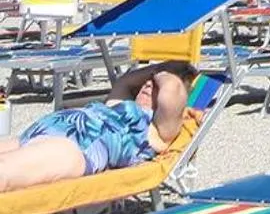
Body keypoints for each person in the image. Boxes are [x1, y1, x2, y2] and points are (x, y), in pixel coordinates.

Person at [0, 62, 197, 192]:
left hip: (73, 147)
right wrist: (161, 68)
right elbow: (126, 80)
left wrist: (166, 73)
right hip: (36, 134)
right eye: (147, 81)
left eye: (155, 85)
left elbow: (173, 89)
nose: (147, 84)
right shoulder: (119, 102)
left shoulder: (156, 130)